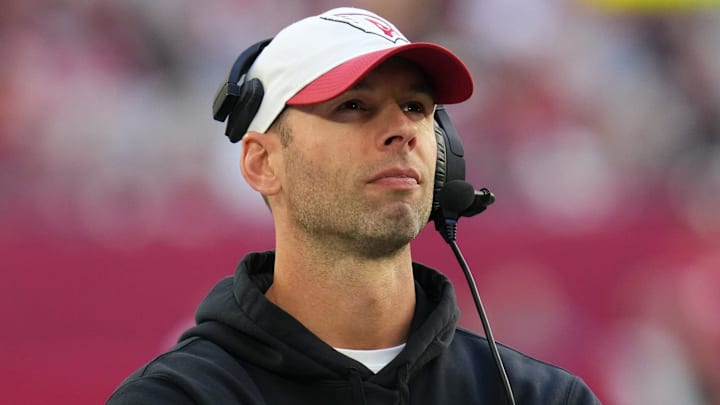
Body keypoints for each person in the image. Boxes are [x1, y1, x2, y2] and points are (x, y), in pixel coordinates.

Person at [107, 7, 600, 405]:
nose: (403, 130)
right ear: (262, 163)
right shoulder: (178, 397)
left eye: (416, 107)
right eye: (353, 106)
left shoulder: (541, 397)